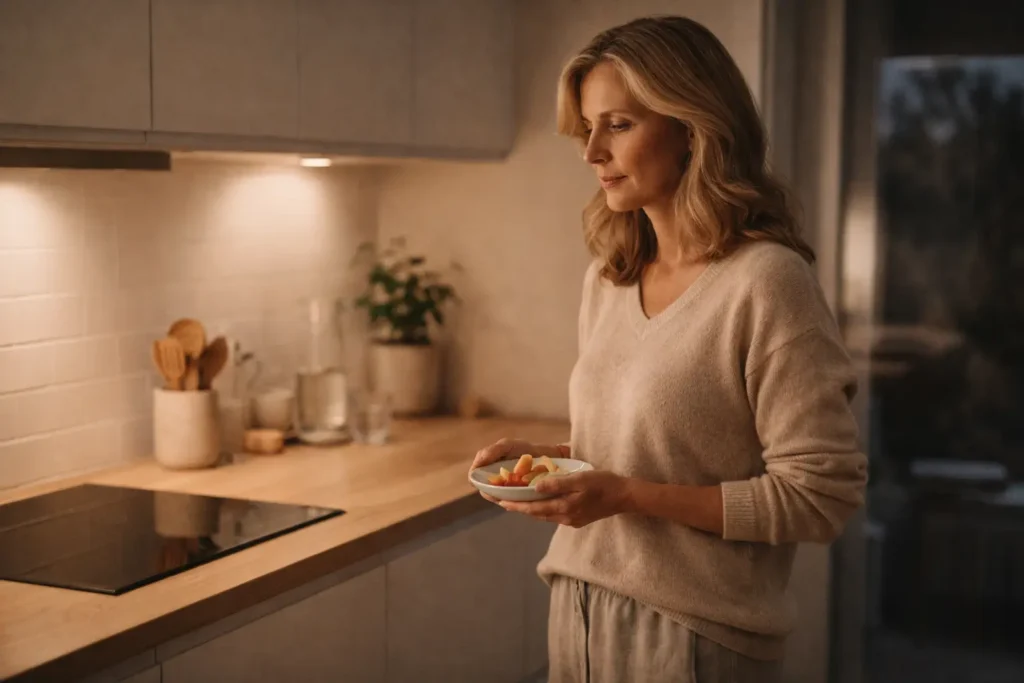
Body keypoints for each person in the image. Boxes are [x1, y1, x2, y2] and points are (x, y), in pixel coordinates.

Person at [470, 14, 869, 683]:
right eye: (589, 127)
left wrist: (626, 494)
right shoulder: (609, 276)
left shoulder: (766, 282)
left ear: (692, 129)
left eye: (618, 124)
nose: (592, 151)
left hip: (693, 637)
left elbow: (820, 495)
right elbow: (664, 449)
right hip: (576, 608)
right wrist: (552, 463)